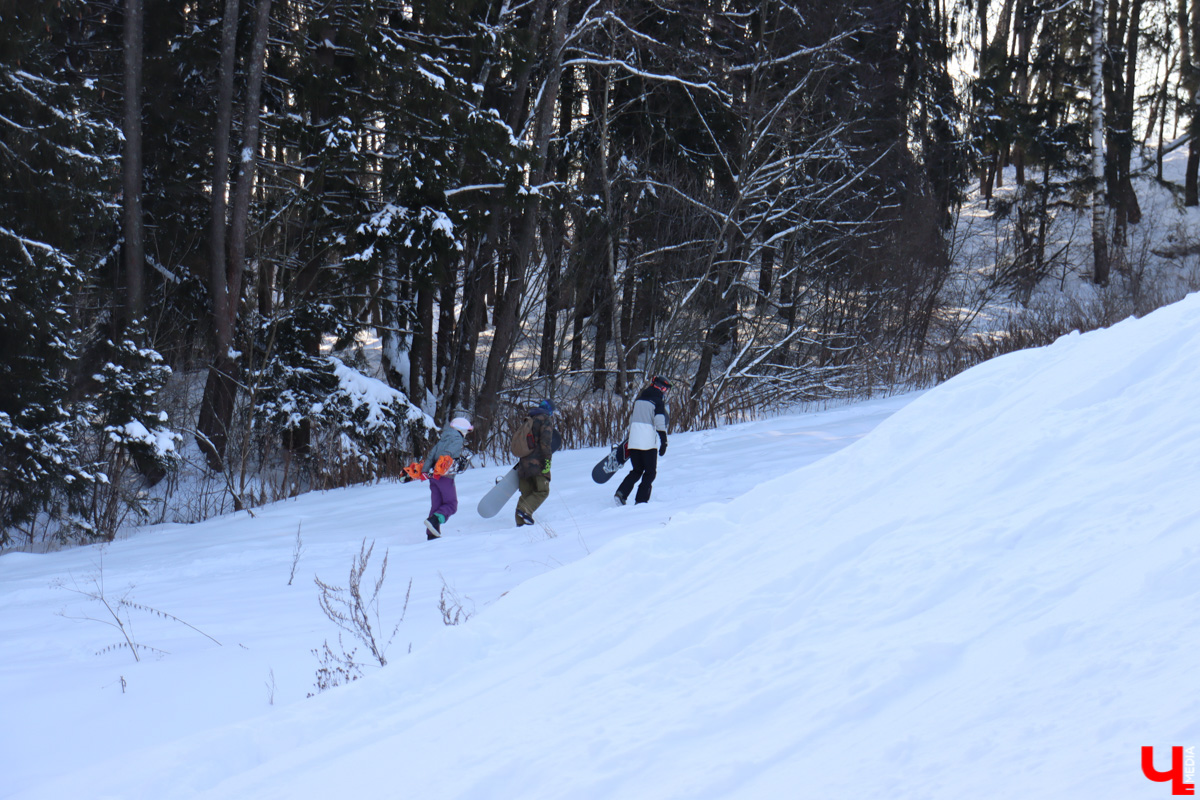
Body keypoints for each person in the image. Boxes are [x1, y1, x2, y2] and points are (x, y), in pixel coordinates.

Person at [406, 416, 473, 540]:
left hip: (433, 477)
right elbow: (448, 455)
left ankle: (432, 533)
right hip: (445, 477)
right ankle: (435, 520)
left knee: (436, 505)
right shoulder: (457, 439)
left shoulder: (443, 439)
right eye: (467, 431)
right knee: (451, 505)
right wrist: (443, 467)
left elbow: (431, 455)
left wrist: (425, 471)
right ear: (462, 430)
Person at [615, 376, 670, 505]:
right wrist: (664, 441)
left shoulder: (639, 400)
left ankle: (621, 493)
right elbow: (659, 421)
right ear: (657, 386)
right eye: (664, 388)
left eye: (666, 389)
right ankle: (641, 501)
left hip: (634, 441)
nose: (664, 391)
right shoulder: (658, 401)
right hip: (648, 443)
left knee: (637, 470)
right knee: (650, 473)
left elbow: (631, 420)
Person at [511, 399, 556, 527]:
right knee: (542, 491)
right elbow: (545, 443)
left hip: (524, 464)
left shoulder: (529, 419)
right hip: (537, 464)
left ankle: (521, 523)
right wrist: (547, 461)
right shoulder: (545, 419)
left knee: (528, 492)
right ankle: (525, 511)